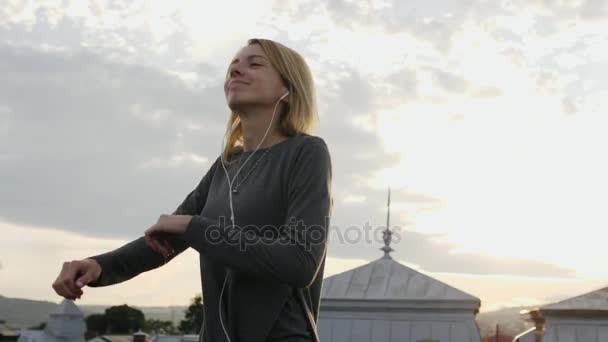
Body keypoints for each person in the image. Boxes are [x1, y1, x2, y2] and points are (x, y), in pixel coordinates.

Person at [51, 38, 333, 342]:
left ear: (287, 89)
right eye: (233, 67)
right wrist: (99, 266)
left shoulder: (307, 153)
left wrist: (194, 226)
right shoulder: (226, 165)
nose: (236, 71)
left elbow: (300, 263)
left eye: (255, 63)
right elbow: (162, 240)